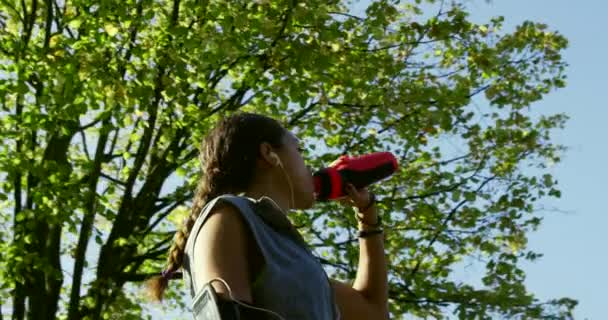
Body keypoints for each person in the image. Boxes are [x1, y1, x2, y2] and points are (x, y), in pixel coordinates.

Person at [146, 112, 389, 319]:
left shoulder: (298, 261)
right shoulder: (227, 214)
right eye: (299, 150)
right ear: (269, 153)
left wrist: (367, 214)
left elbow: (373, 312)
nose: (310, 167)